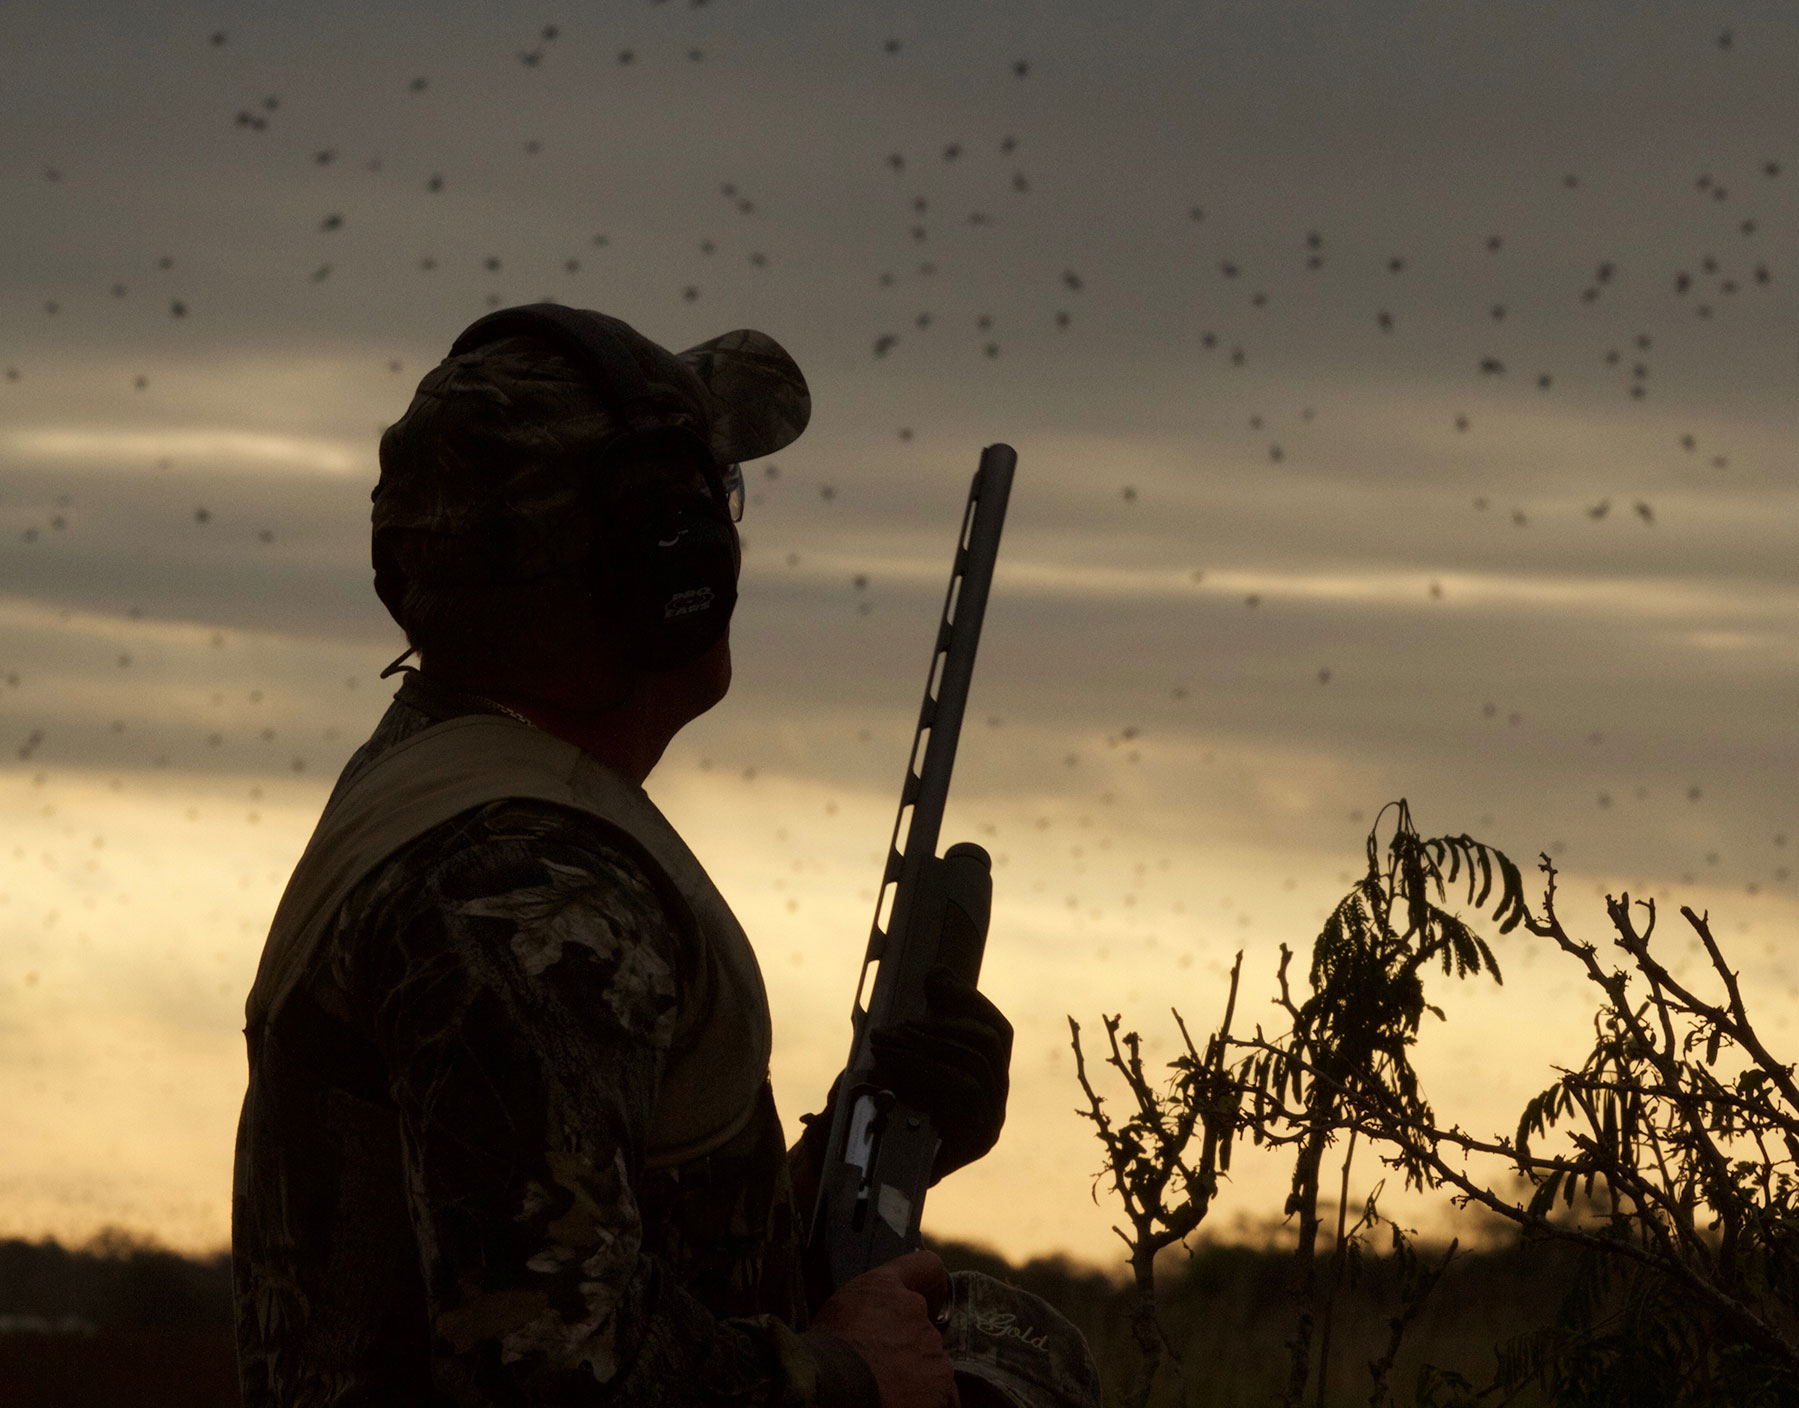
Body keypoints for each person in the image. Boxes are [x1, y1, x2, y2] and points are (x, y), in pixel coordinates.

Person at [230, 306, 1017, 1407]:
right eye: (707, 512)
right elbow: (551, 1375)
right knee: (1009, 1367)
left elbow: (557, 1235)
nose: (724, 543)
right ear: (665, 577)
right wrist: (846, 1375)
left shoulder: (444, 782)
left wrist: (858, 1158)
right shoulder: (529, 895)